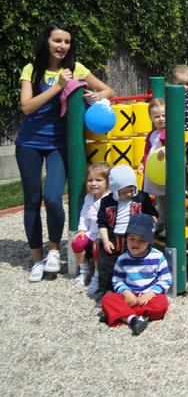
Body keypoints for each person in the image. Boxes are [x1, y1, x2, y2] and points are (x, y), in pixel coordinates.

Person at [17, 22, 113, 282]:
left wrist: (96, 97)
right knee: (32, 200)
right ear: (46, 42)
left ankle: (53, 250)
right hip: (29, 142)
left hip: (60, 143)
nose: (62, 46)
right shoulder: (32, 69)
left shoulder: (76, 68)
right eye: (57, 40)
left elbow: (108, 90)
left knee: (52, 197)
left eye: (67, 42)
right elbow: (27, 107)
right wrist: (58, 86)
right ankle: (37, 259)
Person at [100, 214, 172, 336]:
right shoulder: (122, 259)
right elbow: (117, 280)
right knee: (107, 299)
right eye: (131, 239)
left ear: (149, 241)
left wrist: (150, 294)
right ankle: (133, 319)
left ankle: (122, 315)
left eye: (141, 240)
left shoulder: (157, 257)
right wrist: (126, 292)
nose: (135, 243)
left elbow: (166, 279)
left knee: (162, 304)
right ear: (126, 239)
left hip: (149, 296)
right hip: (129, 296)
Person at [97, 165, 158, 295]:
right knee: (107, 264)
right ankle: (108, 289)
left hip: (134, 238)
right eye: (124, 192)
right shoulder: (106, 202)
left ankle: (134, 287)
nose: (128, 194)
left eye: (131, 190)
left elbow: (151, 212)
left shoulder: (141, 198)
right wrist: (105, 241)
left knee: (134, 263)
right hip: (113, 239)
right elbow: (101, 223)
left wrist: (152, 218)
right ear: (115, 190)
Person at [70, 162, 111, 295]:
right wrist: (82, 229)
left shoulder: (108, 199)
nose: (94, 183)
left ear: (107, 182)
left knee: (96, 249)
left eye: (98, 180)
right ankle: (84, 270)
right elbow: (84, 215)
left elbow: (107, 221)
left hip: (104, 234)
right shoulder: (88, 197)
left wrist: (100, 237)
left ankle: (97, 276)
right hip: (90, 231)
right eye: (90, 180)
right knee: (76, 243)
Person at [138, 98, 166, 231]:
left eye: (164, 115)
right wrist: (142, 163)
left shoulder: (170, 131)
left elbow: (176, 145)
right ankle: (161, 221)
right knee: (160, 197)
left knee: (169, 197)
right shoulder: (152, 134)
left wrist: (164, 150)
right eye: (157, 116)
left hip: (165, 171)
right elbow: (147, 151)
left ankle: (170, 222)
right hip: (154, 172)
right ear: (151, 118)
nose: (161, 119)